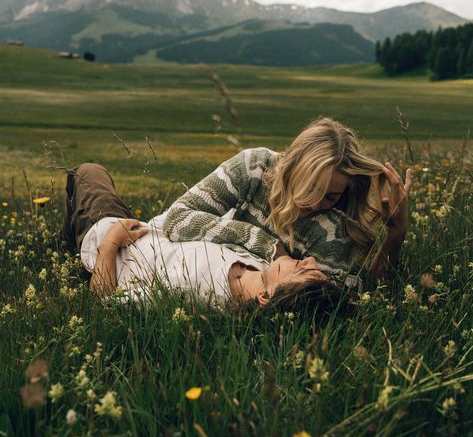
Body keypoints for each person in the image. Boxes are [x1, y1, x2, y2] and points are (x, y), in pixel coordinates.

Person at [63, 163, 348, 313]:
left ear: (266, 298)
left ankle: (70, 235)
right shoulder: (262, 266)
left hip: (108, 234)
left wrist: (112, 241)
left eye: (302, 270)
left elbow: (103, 301)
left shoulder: (195, 296)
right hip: (153, 226)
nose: (308, 259)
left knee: (88, 172)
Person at [162, 117, 412, 287]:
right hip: (174, 255)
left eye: (330, 196)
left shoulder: (334, 229)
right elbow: (176, 219)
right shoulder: (254, 167)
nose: (314, 203)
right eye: (310, 187)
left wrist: (396, 233)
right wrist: (266, 244)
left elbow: (321, 302)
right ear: (291, 166)